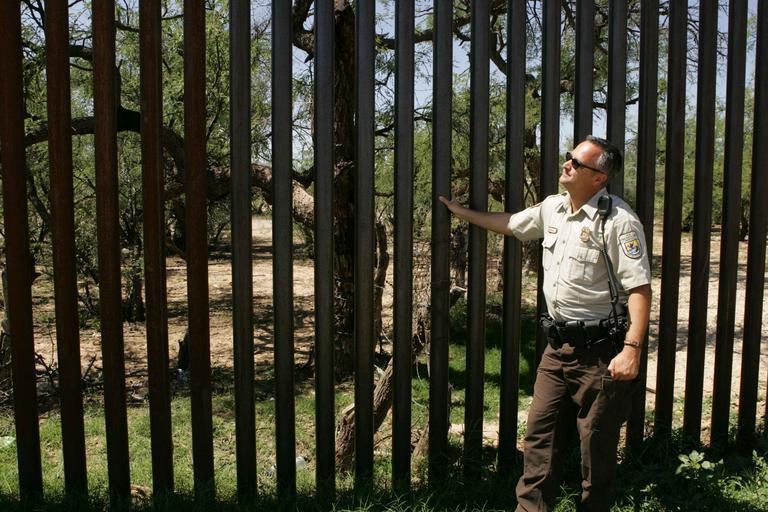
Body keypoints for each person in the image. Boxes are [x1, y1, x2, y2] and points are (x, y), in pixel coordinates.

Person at [439, 136, 652, 512]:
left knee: (596, 448)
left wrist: (632, 349)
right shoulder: (554, 208)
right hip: (557, 349)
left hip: (600, 353)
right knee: (539, 439)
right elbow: (511, 223)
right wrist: (461, 212)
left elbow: (639, 289)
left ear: (599, 178)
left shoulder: (619, 222)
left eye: (576, 162)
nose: (566, 164)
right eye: (569, 157)